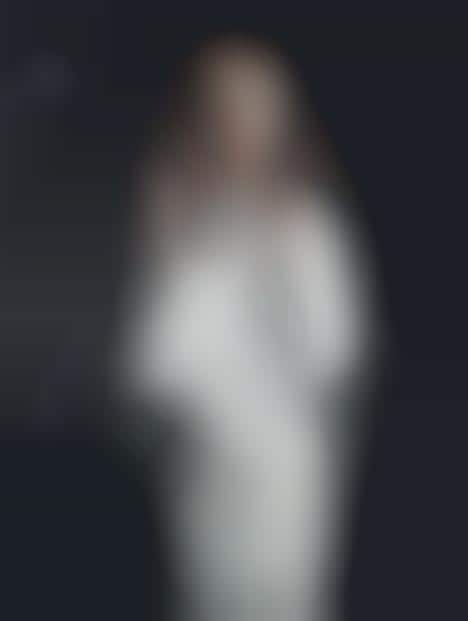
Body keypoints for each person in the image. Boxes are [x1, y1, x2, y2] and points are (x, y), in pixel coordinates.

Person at [116, 36, 380, 621]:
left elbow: (336, 347)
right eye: (229, 109)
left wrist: (280, 263)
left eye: (259, 110)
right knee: (212, 596)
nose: (244, 129)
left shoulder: (310, 224)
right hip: (206, 461)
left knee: (287, 594)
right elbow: (153, 361)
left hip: (288, 463)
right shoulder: (181, 220)